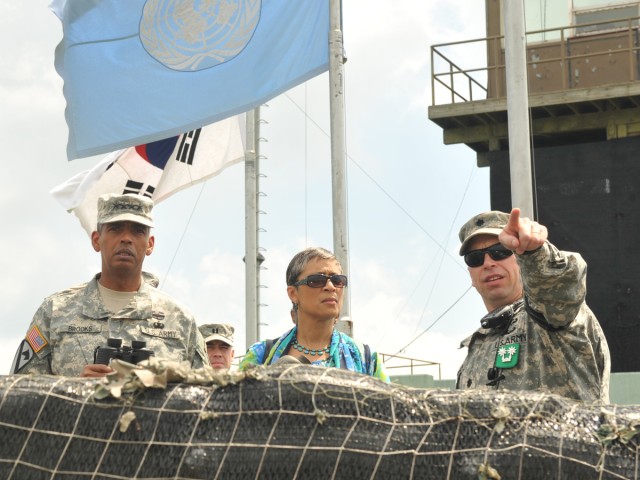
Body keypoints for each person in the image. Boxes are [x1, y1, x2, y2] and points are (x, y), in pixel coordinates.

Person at [11, 193, 208, 377]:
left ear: (150, 244)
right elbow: (19, 394)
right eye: (115, 229)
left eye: (138, 231)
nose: (126, 238)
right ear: (97, 240)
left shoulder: (181, 320)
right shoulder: (55, 312)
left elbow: (207, 400)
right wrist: (74, 390)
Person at [456, 207, 610, 403]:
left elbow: (560, 288)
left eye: (499, 252)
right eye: (475, 258)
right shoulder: (475, 347)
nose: (487, 263)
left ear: (519, 260)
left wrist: (535, 254)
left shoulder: (548, 317)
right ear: (471, 274)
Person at [239, 247, 389, 382]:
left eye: (337, 281)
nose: (330, 287)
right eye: (317, 280)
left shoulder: (367, 360)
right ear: (293, 293)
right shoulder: (260, 357)